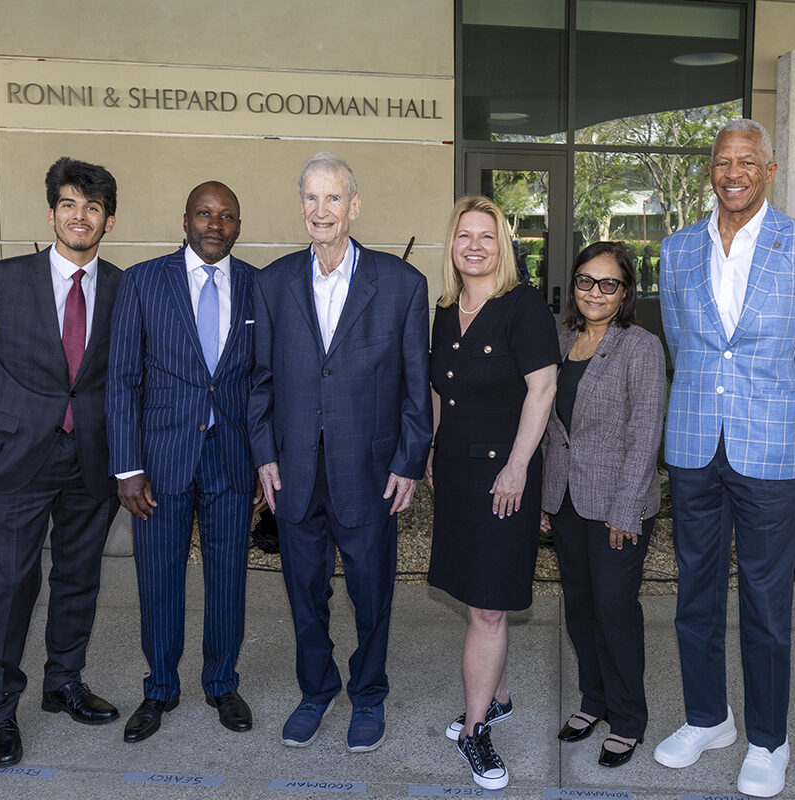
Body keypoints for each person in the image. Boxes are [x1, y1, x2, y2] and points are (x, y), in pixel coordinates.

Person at [655, 118, 795, 797]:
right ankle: (708, 718)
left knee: (768, 602)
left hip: (767, 452)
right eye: (722, 159)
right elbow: (684, 344)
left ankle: (770, 739)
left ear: (768, 170)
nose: (733, 171)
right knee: (694, 593)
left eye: (747, 160)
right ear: (711, 169)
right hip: (693, 445)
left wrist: (770, 419)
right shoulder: (677, 250)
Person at [249, 152, 431, 753]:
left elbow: (415, 384)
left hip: (370, 472)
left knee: (371, 593)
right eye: (311, 199)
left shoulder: (401, 284)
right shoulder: (271, 282)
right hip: (296, 471)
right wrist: (264, 454)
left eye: (333, 199)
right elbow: (261, 380)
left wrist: (409, 460)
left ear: (354, 207)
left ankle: (369, 694)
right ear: (300, 206)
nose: (320, 211)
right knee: (304, 594)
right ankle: (316, 689)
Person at [0, 157, 122, 767]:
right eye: (69, 204)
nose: (79, 216)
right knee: (10, 586)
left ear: (109, 219)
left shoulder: (120, 288)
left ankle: (64, 683)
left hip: (91, 461)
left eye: (92, 207)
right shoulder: (1, 280)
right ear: (52, 211)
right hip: (16, 461)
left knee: (79, 579)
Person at [107, 181, 257, 742]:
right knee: (159, 579)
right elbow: (121, 380)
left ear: (238, 227)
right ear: (185, 219)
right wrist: (126, 467)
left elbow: (261, 382)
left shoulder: (254, 286)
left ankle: (222, 683)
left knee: (228, 581)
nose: (215, 224)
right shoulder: (145, 282)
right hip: (159, 464)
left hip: (232, 462)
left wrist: (264, 461)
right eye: (204, 214)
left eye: (227, 216)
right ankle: (160, 688)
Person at [428, 195, 559, 790]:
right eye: (463, 235)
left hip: (503, 478)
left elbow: (543, 389)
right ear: (451, 244)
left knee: (486, 605)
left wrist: (516, 468)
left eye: (486, 235)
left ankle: (477, 730)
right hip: (455, 472)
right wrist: (432, 447)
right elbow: (438, 390)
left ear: (502, 244)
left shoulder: (522, 306)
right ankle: (498, 695)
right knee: (481, 597)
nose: (474, 245)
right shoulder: (446, 308)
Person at [539, 241, 666, 768]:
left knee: (615, 609)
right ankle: (594, 700)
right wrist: (546, 496)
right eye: (586, 281)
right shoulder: (561, 339)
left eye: (608, 283)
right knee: (581, 606)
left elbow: (644, 432)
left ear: (625, 292)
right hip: (567, 498)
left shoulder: (641, 346)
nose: (596, 292)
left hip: (619, 503)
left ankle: (628, 718)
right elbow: (552, 430)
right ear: (574, 287)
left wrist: (627, 507)